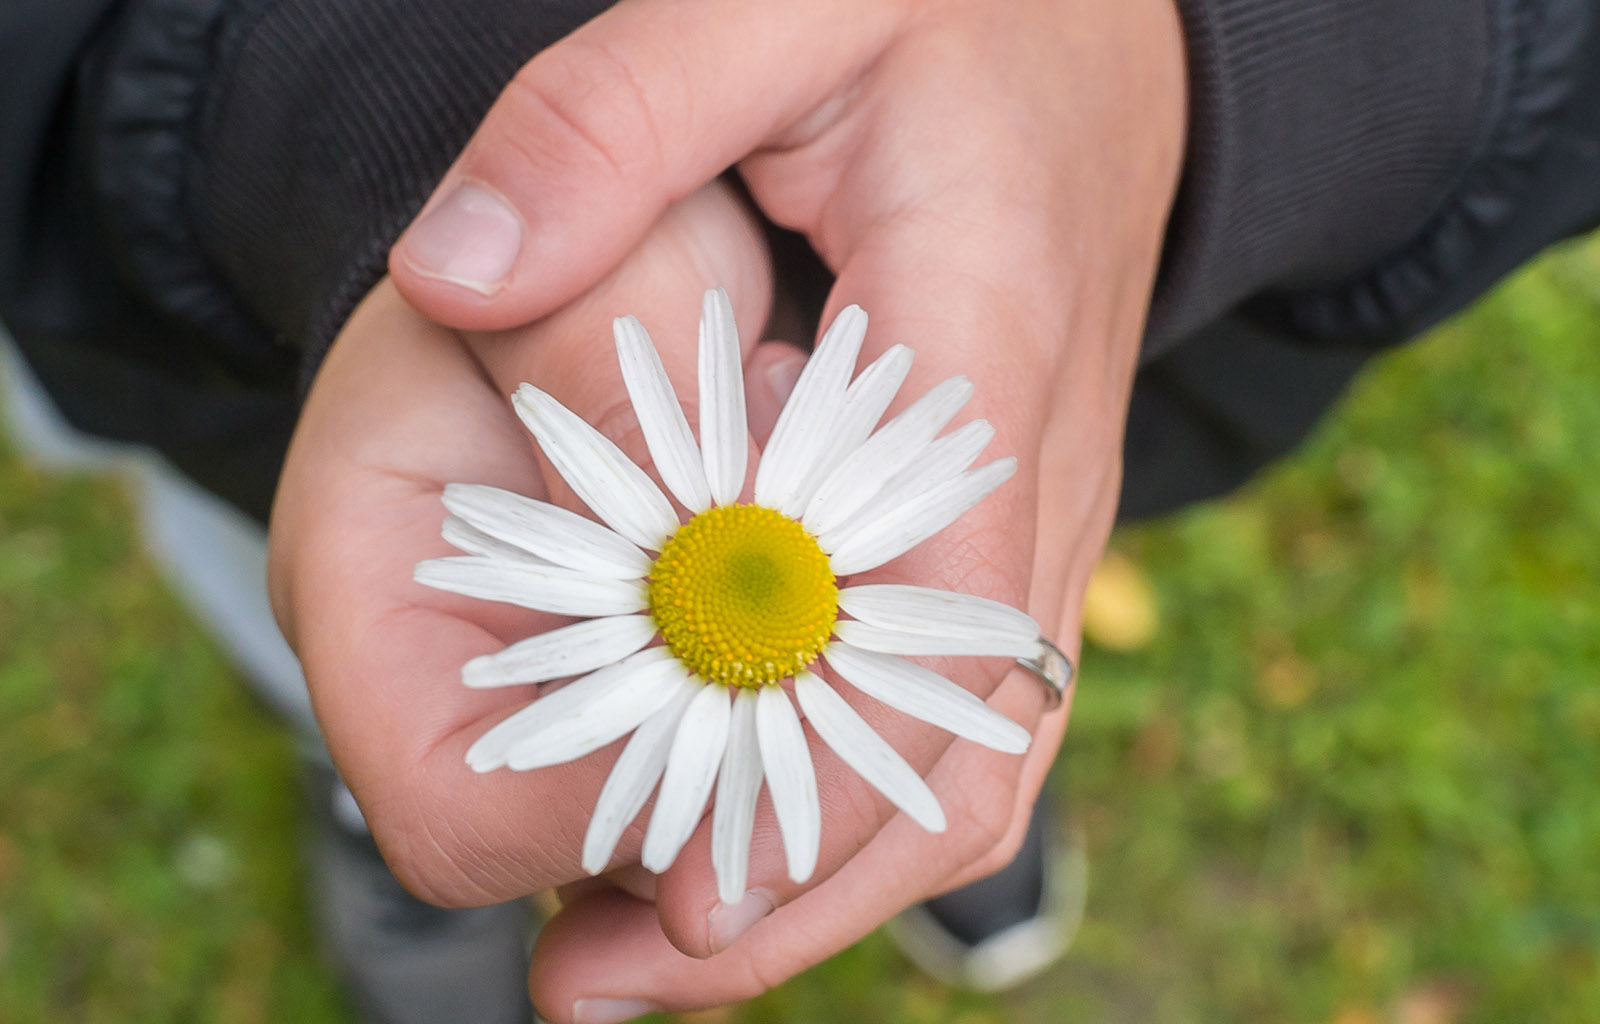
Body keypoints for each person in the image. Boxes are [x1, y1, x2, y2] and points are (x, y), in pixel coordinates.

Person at [3, 1, 1599, 1022]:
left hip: (1117, 302)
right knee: (371, 634)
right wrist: (305, 78)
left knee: (974, 585)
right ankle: (362, 778)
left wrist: (1214, 55)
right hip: (264, 321)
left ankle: (926, 742)